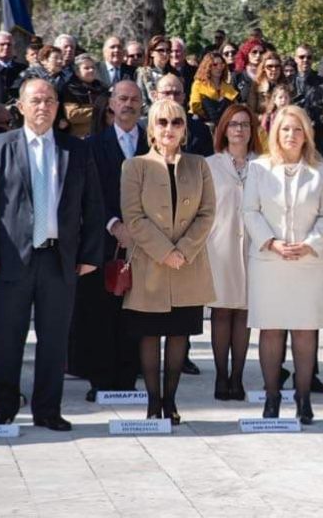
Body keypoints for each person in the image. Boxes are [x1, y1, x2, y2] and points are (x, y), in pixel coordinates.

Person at [0, 77, 104, 430]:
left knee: (54, 340)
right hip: (11, 260)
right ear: (21, 107)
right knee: (7, 337)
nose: (43, 106)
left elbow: (93, 205)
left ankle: (48, 410)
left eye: (49, 100)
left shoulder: (76, 150)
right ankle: (3, 407)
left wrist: (90, 255)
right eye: (36, 100)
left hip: (59, 260)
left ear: (58, 107)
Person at [120, 98, 216, 424]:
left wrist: (183, 251)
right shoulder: (134, 166)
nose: (169, 129)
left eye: (176, 122)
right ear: (151, 129)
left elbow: (207, 214)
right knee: (149, 335)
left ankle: (170, 403)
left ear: (185, 129)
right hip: (150, 265)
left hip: (188, 266)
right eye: (162, 122)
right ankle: (152, 404)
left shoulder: (199, 165)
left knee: (178, 335)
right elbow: (133, 217)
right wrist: (166, 252)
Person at [243, 105, 323, 422]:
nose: (291, 135)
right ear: (275, 133)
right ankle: (271, 398)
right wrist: (271, 242)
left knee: (304, 331)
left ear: (307, 134)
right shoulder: (259, 169)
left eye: (298, 129)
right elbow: (250, 211)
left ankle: (303, 397)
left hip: (307, 261)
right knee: (270, 330)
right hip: (269, 260)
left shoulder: (322, 173)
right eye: (285, 129)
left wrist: (310, 244)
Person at [71, 80, 146, 401]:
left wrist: (139, 229)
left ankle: (128, 381)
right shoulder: (92, 145)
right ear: (112, 104)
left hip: (144, 244)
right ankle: (101, 381)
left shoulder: (153, 143)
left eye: (134, 99)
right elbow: (89, 193)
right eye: (122, 98)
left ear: (141, 105)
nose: (128, 104)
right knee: (101, 313)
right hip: (103, 242)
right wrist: (115, 225)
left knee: (134, 313)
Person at [205, 104, 260, 402]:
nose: (239, 129)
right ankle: (220, 376)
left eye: (245, 124)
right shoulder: (209, 165)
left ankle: (237, 377)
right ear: (223, 130)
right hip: (220, 247)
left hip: (252, 247)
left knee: (243, 312)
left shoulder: (263, 165)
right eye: (234, 124)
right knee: (222, 312)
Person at [155, 74, 214, 159]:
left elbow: (208, 164)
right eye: (167, 93)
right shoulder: (143, 129)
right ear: (155, 96)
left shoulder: (200, 131)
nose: (172, 98)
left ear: (183, 97)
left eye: (177, 94)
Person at [61, 55, 110, 138]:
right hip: (80, 137)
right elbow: (73, 115)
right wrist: (99, 110)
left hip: (102, 135)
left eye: (93, 67)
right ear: (77, 71)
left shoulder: (102, 87)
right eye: (86, 68)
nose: (91, 70)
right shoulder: (71, 88)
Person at [189, 52, 239, 125]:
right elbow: (195, 106)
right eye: (215, 65)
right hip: (203, 124)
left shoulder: (228, 87)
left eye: (222, 64)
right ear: (207, 66)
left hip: (224, 124)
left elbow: (235, 107)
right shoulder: (198, 84)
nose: (219, 68)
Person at [136, 35, 176, 110]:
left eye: (167, 50)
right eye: (161, 50)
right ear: (151, 53)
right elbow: (141, 100)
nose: (165, 54)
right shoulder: (143, 73)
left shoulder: (174, 74)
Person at [247, 51, 286, 119]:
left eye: (277, 66)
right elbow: (251, 112)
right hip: (262, 123)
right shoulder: (256, 86)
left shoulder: (287, 85)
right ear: (264, 68)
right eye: (270, 66)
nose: (274, 69)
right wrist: (264, 118)